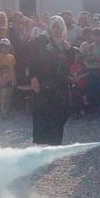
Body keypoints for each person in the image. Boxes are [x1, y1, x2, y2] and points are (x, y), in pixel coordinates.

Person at [28, 16, 72, 145]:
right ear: (50, 27)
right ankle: (47, 143)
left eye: (59, 27)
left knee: (63, 111)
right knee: (45, 113)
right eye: (54, 27)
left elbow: (71, 61)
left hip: (61, 83)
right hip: (44, 83)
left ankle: (55, 141)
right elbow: (31, 59)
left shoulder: (63, 43)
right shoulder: (40, 40)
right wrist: (33, 77)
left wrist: (69, 49)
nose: (57, 30)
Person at [0, 38, 16, 118]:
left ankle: (7, 110)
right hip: (3, 79)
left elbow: (13, 69)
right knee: (3, 95)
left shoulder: (11, 57)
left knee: (9, 95)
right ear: (0, 47)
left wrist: (14, 79)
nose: (4, 49)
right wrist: (0, 78)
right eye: (2, 47)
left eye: (6, 47)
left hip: (10, 79)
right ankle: (2, 111)